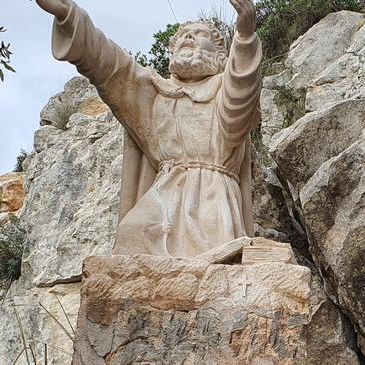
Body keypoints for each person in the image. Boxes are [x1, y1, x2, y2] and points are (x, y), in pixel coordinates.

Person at [34, 0, 262, 257]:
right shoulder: (154, 92)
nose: (188, 37)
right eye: (182, 37)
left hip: (213, 196)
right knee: (133, 233)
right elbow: (108, 64)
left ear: (222, 55)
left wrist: (244, 36)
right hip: (165, 193)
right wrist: (68, 13)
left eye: (200, 34)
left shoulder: (225, 89)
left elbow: (240, 96)